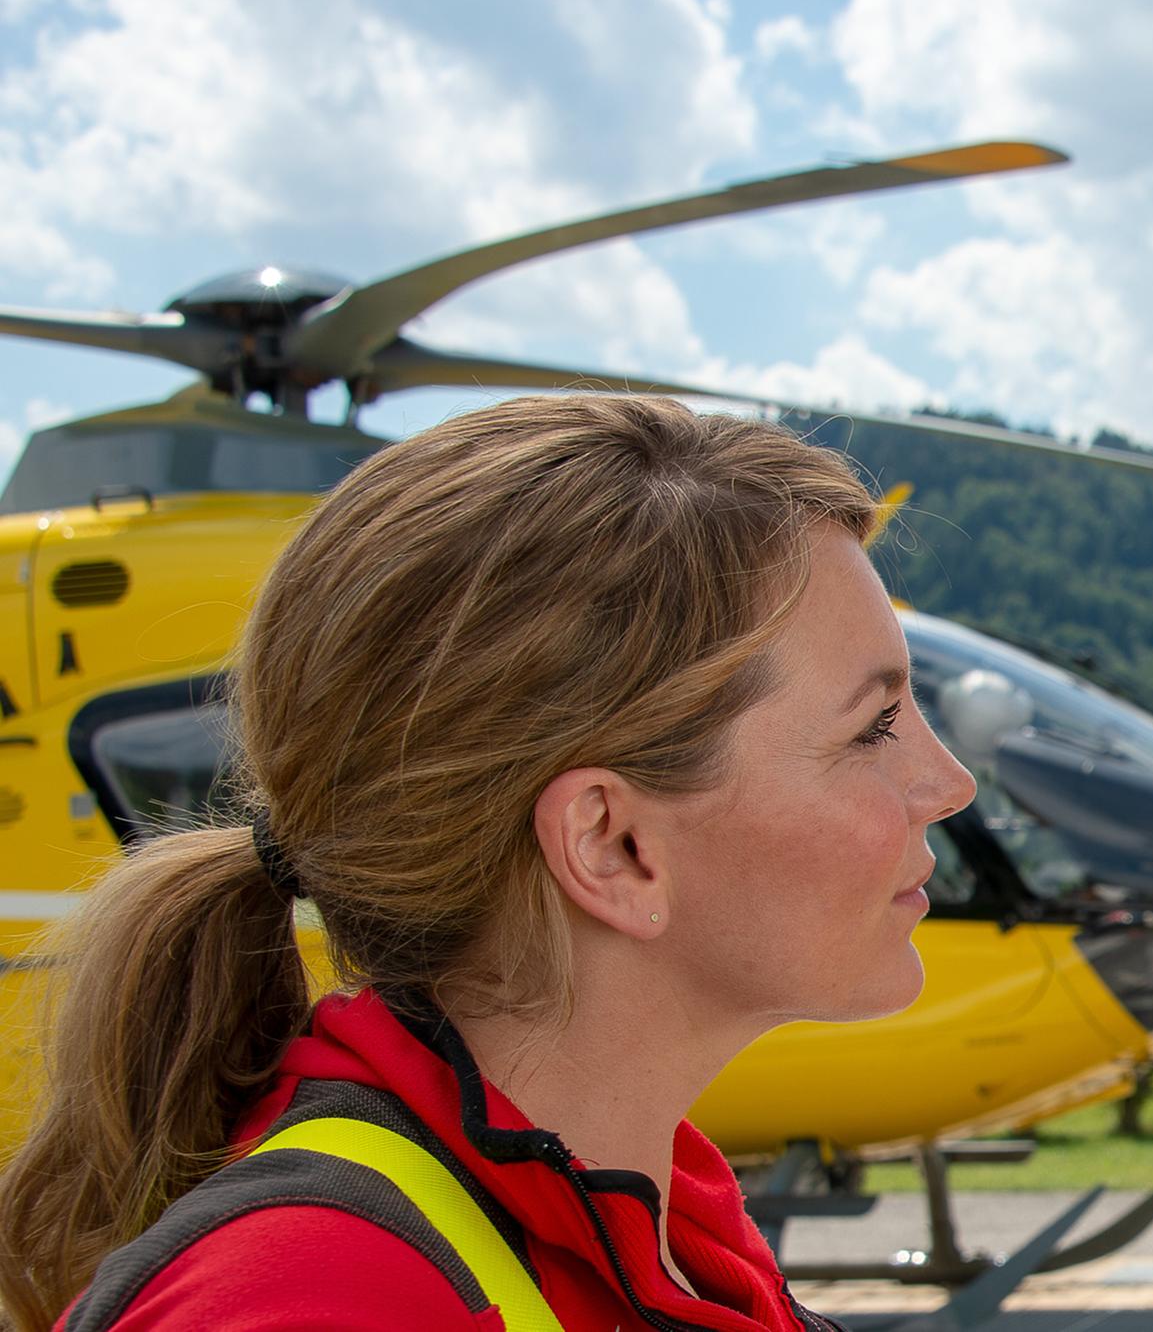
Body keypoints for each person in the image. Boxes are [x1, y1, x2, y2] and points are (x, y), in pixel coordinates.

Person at [0, 394, 976, 1330]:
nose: (949, 783)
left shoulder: (665, 1219)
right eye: (874, 727)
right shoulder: (308, 1298)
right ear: (612, 846)